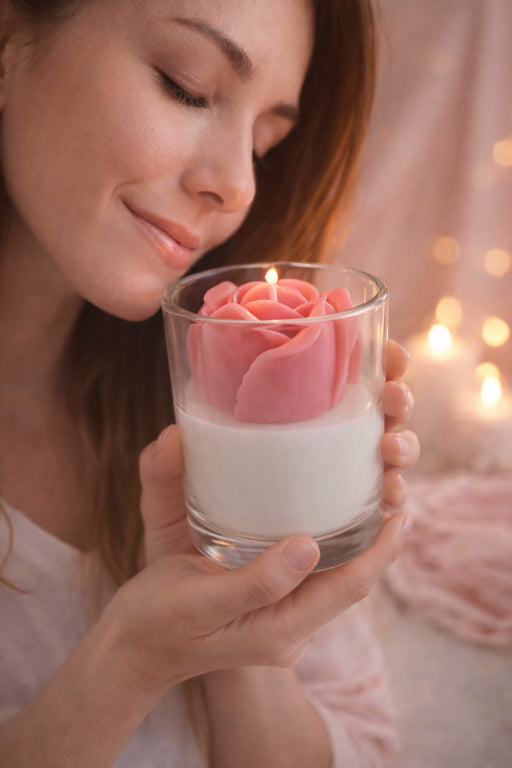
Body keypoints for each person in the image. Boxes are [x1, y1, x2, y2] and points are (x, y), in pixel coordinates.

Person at [0, 1, 419, 766]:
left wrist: (243, 620)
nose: (239, 187)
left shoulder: (202, 420)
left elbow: (363, 744)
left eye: (266, 142)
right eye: (187, 87)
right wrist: (131, 661)